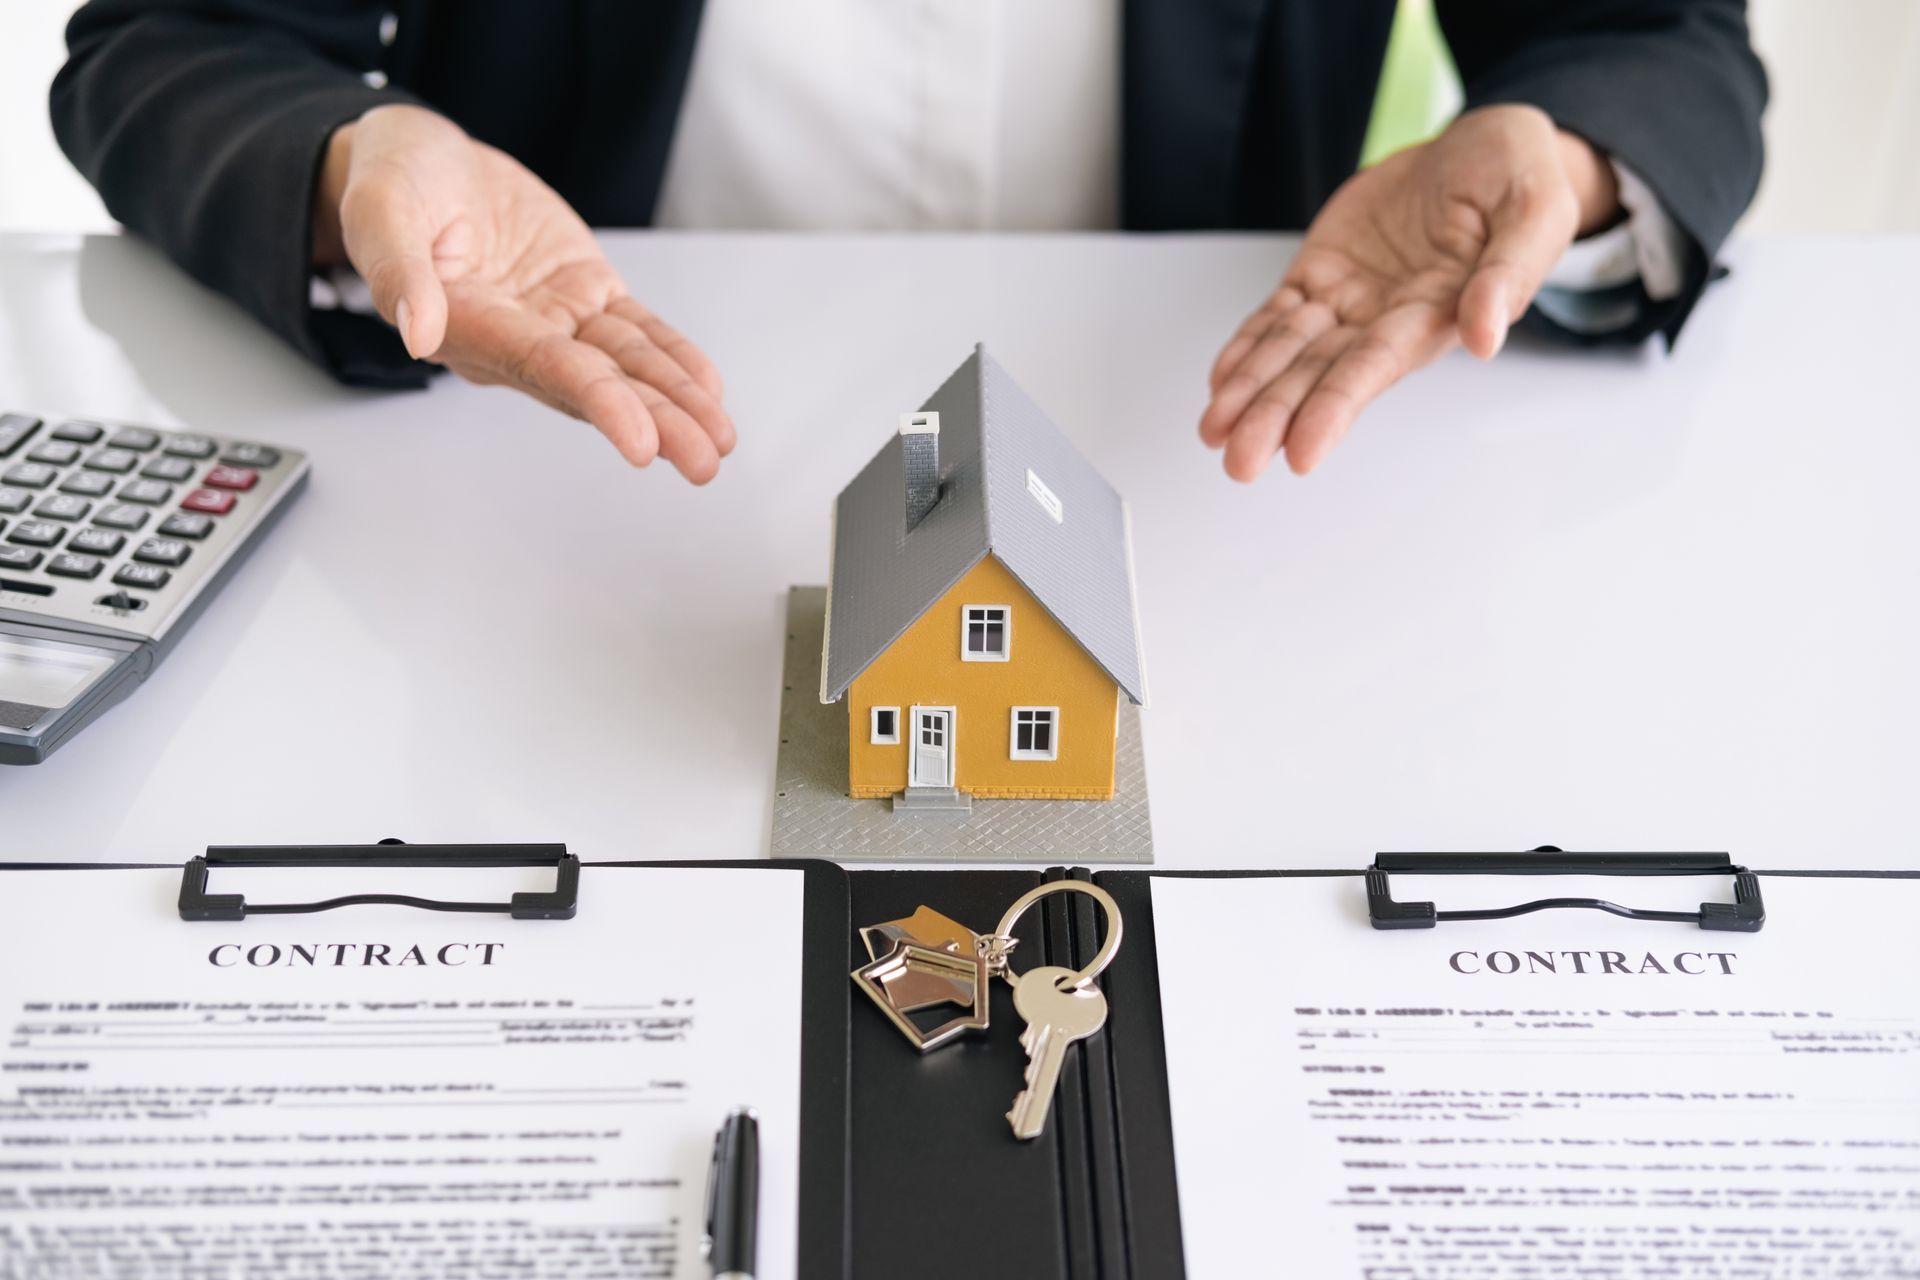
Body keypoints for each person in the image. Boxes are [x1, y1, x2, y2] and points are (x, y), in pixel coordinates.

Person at [51, 1, 1765, 484]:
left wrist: (1576, 162)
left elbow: (1658, 42)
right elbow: (161, 41)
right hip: (559, 470)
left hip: (1183, 489)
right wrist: (355, 154)